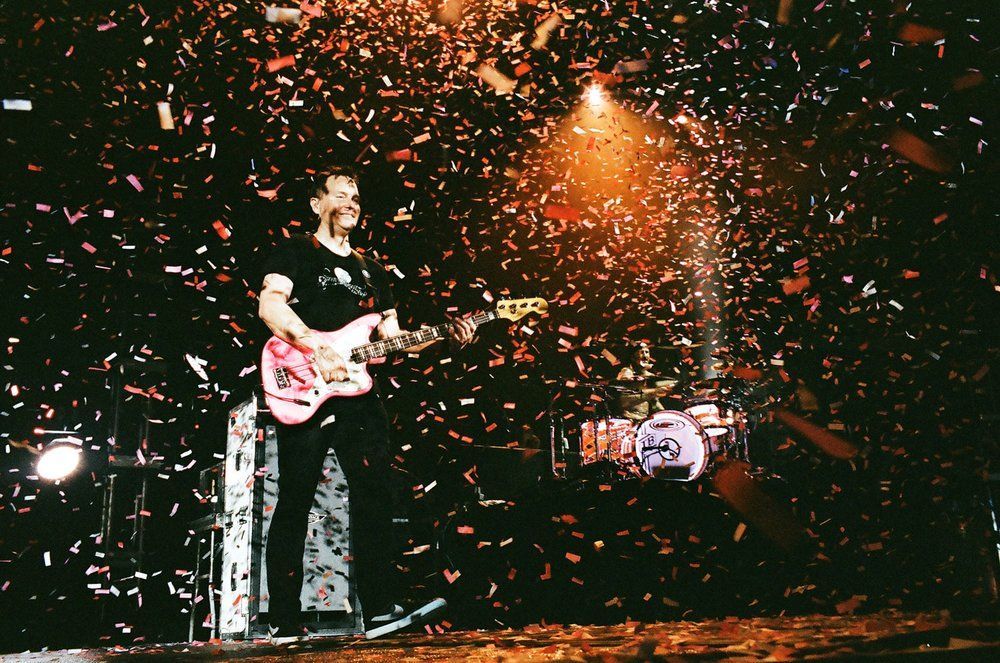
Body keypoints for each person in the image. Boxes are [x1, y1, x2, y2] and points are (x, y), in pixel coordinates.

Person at [257, 164, 476, 639]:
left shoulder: (372, 272)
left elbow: (394, 339)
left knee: (376, 494)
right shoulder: (296, 251)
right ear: (318, 204)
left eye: (355, 197)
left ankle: (379, 608)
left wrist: (446, 340)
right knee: (295, 498)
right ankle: (284, 620)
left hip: (358, 394)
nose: (351, 203)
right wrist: (317, 347)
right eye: (340, 195)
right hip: (304, 383)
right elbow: (271, 306)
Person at [614, 343, 672, 422]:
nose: (645, 355)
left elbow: (654, 401)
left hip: (643, 419)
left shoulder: (651, 376)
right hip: (628, 418)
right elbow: (626, 380)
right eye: (641, 352)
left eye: (647, 352)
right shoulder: (627, 371)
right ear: (633, 357)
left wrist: (664, 416)